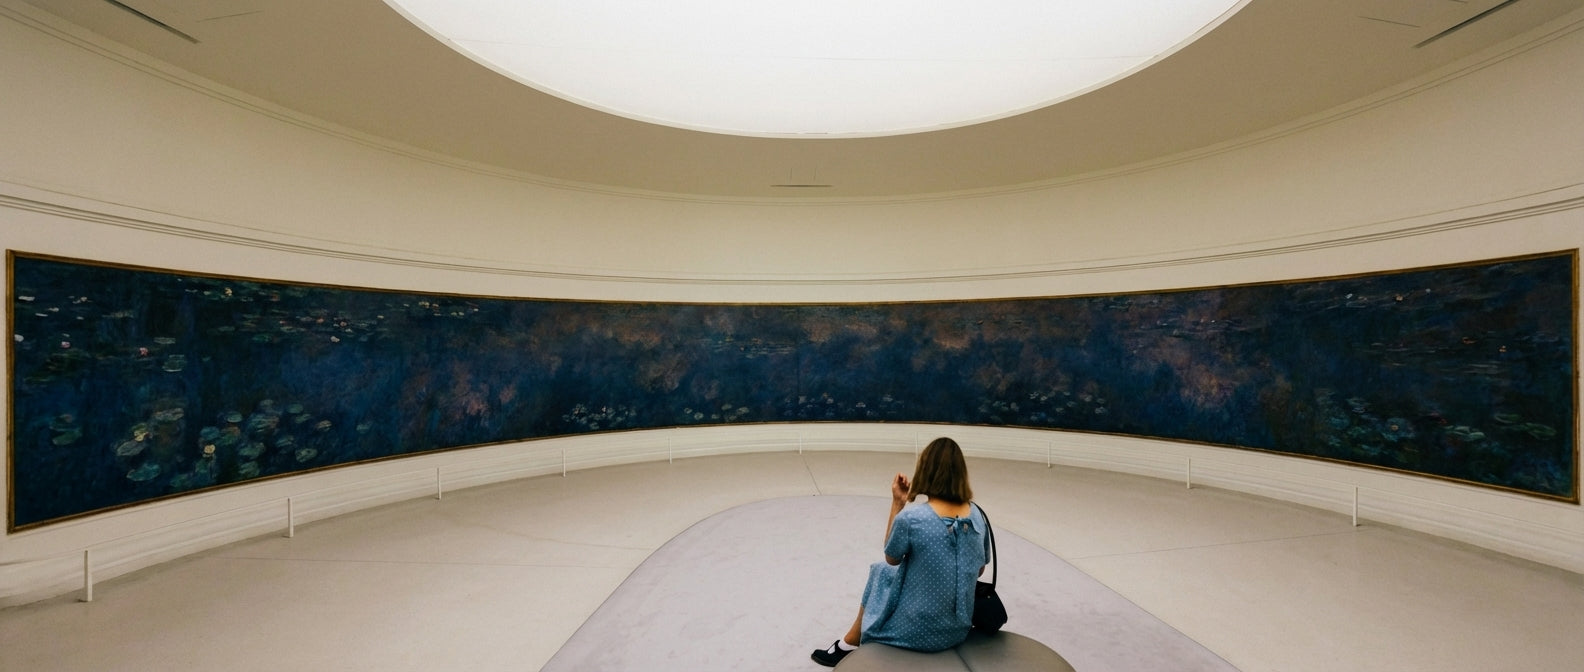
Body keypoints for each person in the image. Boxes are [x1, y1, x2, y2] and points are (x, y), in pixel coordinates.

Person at [811, 437, 988, 667]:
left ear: (925, 470)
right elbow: (980, 568)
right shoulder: (977, 515)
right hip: (958, 630)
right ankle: (849, 642)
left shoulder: (913, 519)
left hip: (918, 633)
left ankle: (849, 643)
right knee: (885, 571)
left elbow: (892, 557)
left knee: (881, 568)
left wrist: (897, 503)